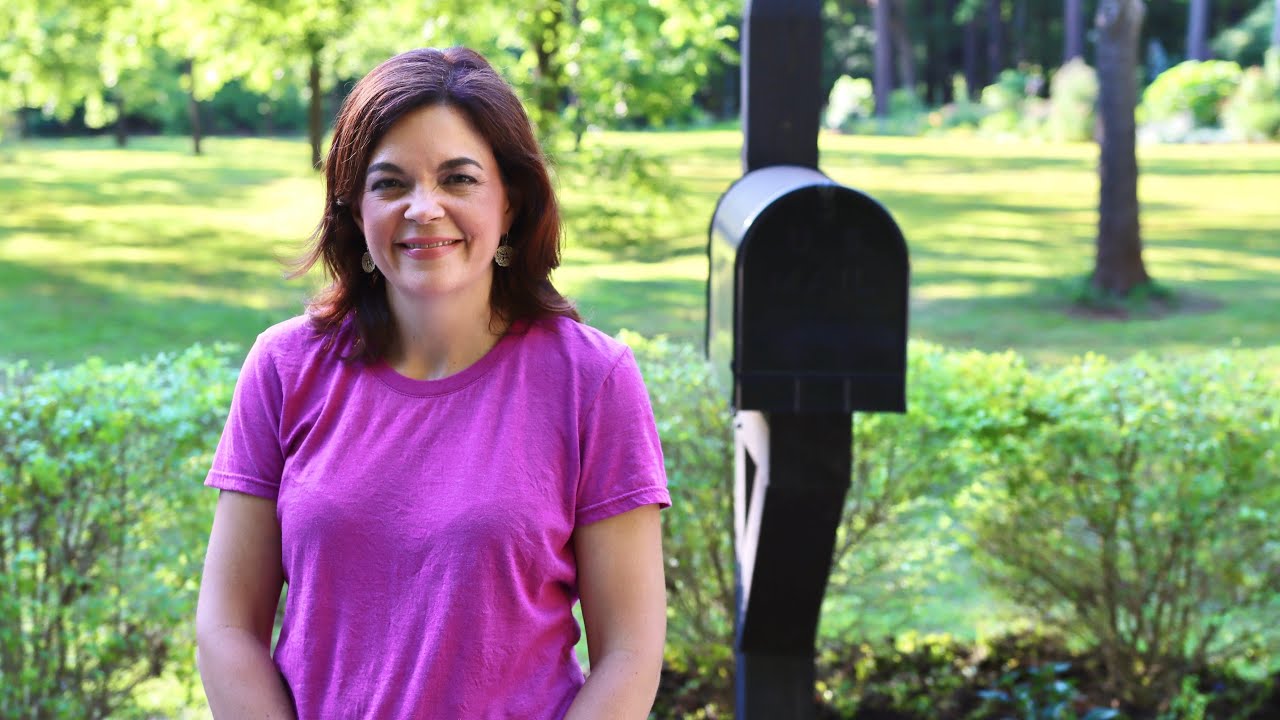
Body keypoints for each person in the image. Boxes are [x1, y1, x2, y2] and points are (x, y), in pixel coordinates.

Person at [195, 46, 670, 719]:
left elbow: (630, 652)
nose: (425, 208)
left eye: (459, 179)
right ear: (355, 209)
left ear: (510, 202)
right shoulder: (284, 369)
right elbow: (225, 629)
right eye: (390, 183)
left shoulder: (591, 382)